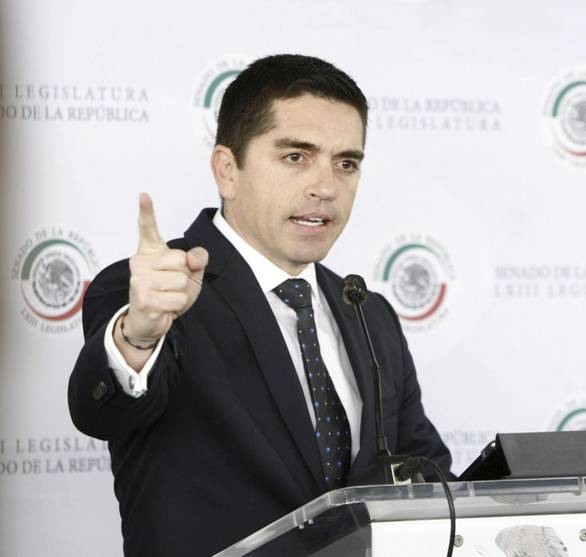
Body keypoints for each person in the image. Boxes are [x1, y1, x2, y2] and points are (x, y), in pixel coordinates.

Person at [68, 54, 452, 557]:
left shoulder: (368, 313)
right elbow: (102, 412)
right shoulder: (149, 293)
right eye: (295, 156)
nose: (326, 187)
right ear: (227, 170)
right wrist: (137, 337)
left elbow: (427, 473)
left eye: (346, 163)